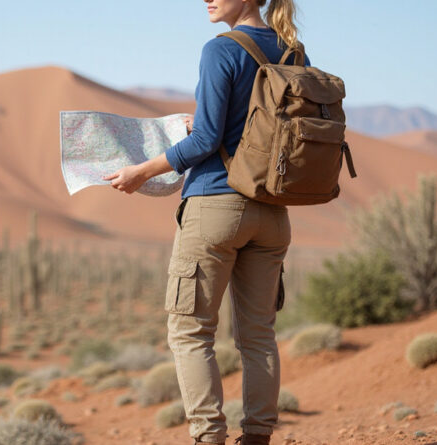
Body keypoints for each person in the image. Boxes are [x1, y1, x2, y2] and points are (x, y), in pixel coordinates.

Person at [103, 1, 304, 444]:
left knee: (190, 331)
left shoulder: (221, 50)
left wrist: (141, 171)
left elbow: (207, 140)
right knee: (258, 336)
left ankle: (208, 437)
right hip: (272, 213)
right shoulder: (293, 51)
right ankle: (257, 437)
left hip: (217, 206)